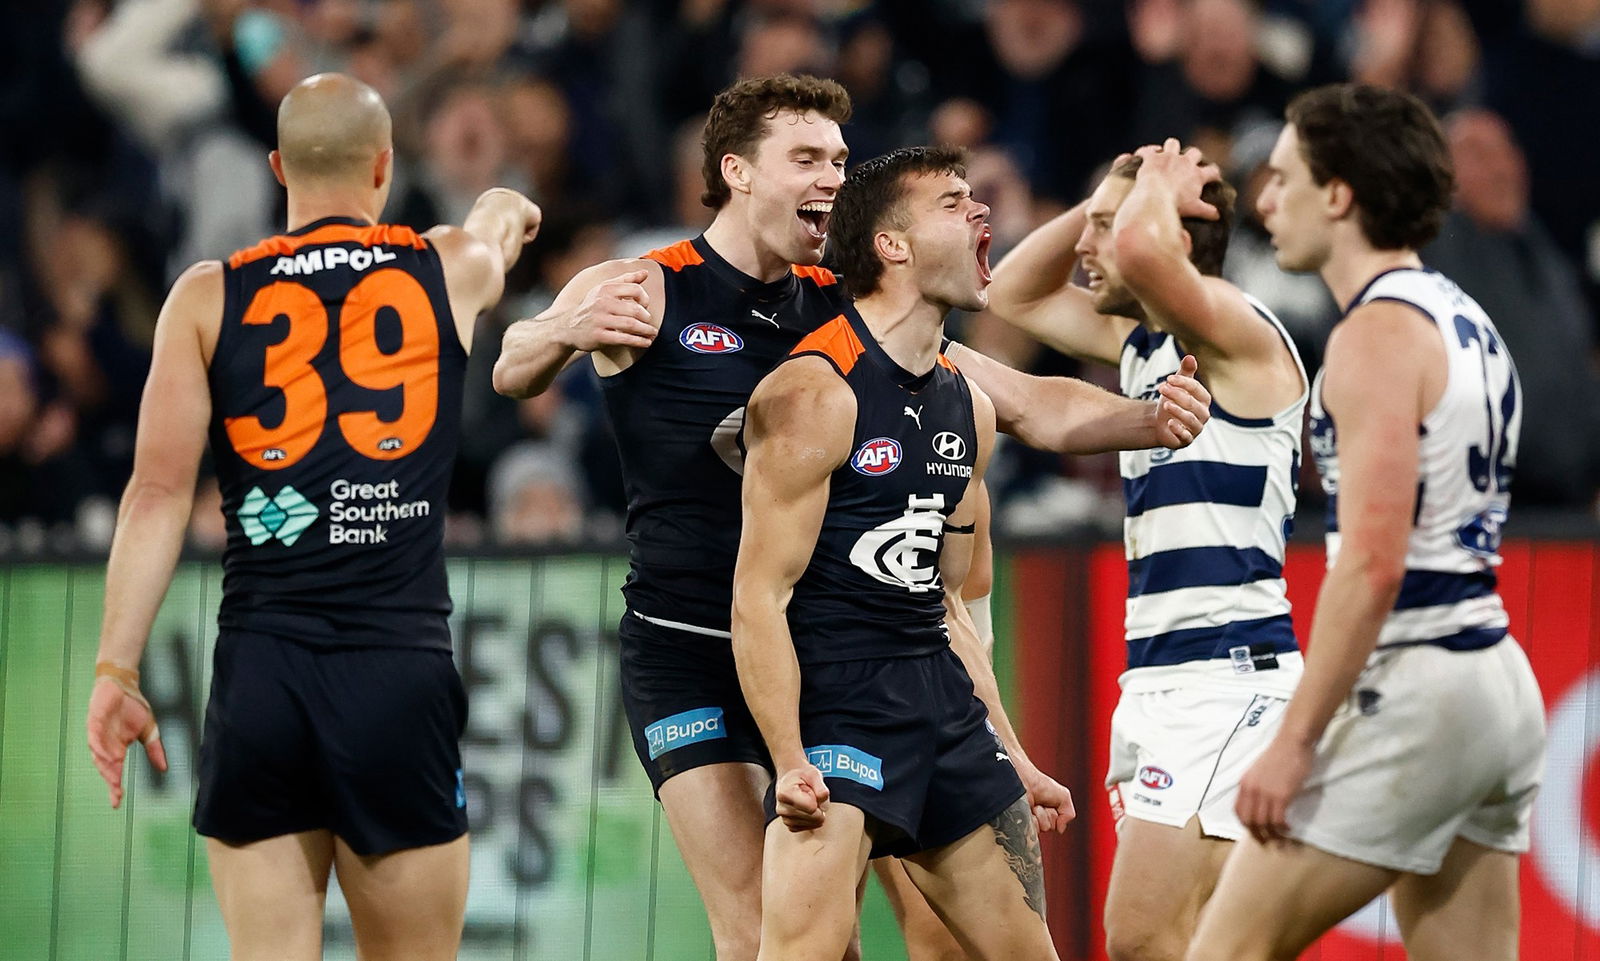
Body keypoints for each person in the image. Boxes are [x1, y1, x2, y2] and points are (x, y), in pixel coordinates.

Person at [491, 74, 1210, 961]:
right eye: (805, 158)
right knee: (766, 926)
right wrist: (564, 329)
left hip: (827, 651)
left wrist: (1149, 416)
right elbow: (510, 365)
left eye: (838, 157)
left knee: (931, 935)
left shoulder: (839, 303)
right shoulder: (646, 285)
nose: (831, 175)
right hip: (692, 649)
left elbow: (1020, 402)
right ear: (738, 171)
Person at [84, 73, 541, 961]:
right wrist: (502, 204)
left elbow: (154, 496)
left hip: (264, 677)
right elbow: (499, 227)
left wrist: (117, 666)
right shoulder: (445, 265)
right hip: (395, 675)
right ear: (384, 169)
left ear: (277, 170)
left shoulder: (208, 296)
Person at [1187, 83, 1546, 961]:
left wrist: (1295, 740)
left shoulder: (1376, 334)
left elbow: (1374, 564)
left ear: (1339, 193)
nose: (1266, 201)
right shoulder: (1463, 315)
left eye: (1284, 178)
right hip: (1496, 683)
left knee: (1222, 952)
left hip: (1421, 682)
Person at [969, 139, 1309, 961]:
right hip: (1162, 681)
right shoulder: (1142, 346)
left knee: (1143, 936)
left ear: (1171, 233)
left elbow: (1139, 252)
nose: (1090, 246)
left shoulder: (1240, 331)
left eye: (1106, 228)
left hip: (1228, 680)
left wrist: (1155, 186)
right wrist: (1103, 200)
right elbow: (1010, 292)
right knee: (1204, 944)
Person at [731, 144, 1065, 961]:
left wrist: (1014, 752)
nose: (982, 211)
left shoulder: (967, 407)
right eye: (954, 203)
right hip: (839, 702)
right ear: (892, 244)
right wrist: (788, 756)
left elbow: (948, 601)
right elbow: (758, 597)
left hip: (941, 704)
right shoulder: (812, 391)